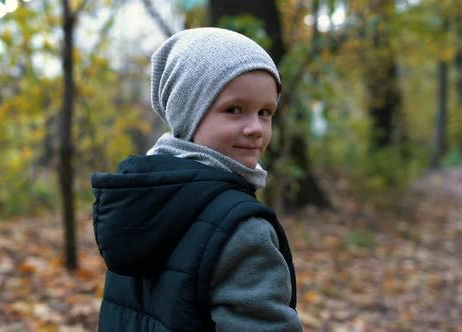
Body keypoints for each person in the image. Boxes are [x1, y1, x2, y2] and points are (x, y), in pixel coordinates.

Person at [91, 27, 303, 332]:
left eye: (265, 112)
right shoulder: (241, 229)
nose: (256, 127)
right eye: (234, 110)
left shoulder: (137, 201)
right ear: (188, 112)